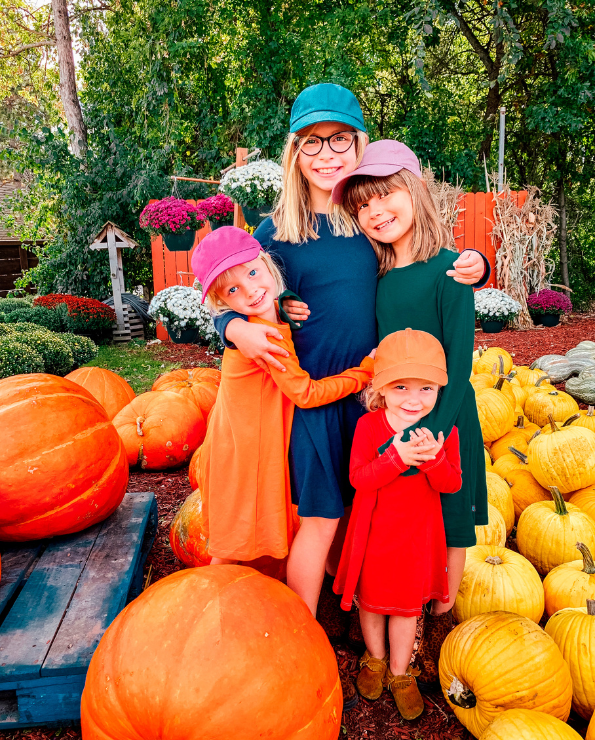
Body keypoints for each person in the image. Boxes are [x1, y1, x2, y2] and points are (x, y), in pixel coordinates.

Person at [213, 84, 488, 709]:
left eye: (340, 141)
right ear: (294, 152)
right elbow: (227, 293)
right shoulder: (274, 231)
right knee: (323, 514)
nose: (327, 153)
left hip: (377, 398)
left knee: (381, 504)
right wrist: (238, 326)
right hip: (317, 400)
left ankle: (379, 619)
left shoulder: (364, 222)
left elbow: (423, 259)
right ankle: (298, 634)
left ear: (358, 145)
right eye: (313, 142)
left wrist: (475, 263)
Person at [331, 139, 487, 692]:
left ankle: (435, 612)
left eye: (387, 195)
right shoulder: (373, 278)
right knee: (392, 510)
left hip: (442, 415)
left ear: (415, 192)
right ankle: (392, 606)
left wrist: (431, 435)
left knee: (449, 514)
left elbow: (461, 364)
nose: (376, 211)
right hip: (390, 413)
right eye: (363, 205)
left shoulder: (451, 273)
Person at [191, 226, 374, 566]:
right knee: (234, 541)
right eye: (233, 289)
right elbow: (305, 393)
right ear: (222, 302)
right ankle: (213, 601)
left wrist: (282, 304)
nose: (250, 290)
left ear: (266, 262)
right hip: (245, 449)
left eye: (253, 272)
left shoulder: (269, 316)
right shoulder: (263, 337)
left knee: (240, 532)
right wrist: (363, 373)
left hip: (242, 436)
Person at [333, 329, 461, 719]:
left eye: (426, 388)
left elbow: (451, 483)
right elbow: (358, 478)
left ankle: (400, 671)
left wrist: (435, 458)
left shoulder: (442, 432)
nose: (413, 398)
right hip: (374, 537)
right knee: (371, 603)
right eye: (401, 386)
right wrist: (397, 457)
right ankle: (374, 658)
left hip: (416, 541)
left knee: (406, 609)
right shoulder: (369, 428)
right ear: (381, 388)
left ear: (439, 389)